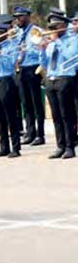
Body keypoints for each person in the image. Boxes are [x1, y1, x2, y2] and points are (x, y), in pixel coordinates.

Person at [39, 11, 77, 159]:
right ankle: (60, 145)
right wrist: (42, 50)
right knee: (56, 116)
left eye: (56, 26)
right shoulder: (51, 43)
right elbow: (44, 63)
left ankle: (70, 146)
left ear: (64, 25)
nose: (53, 29)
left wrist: (58, 42)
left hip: (65, 78)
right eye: (51, 26)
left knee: (66, 114)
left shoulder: (73, 40)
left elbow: (70, 56)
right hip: (51, 78)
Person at [0, 21, 23, 157]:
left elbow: (11, 64)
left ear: (3, 34)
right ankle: (4, 146)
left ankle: (16, 147)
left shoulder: (11, 46)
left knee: (10, 116)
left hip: (7, 81)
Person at [12, 5, 45, 146]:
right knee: (26, 103)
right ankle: (30, 132)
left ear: (27, 16)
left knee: (36, 102)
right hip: (22, 70)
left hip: (33, 68)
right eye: (16, 17)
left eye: (20, 17)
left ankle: (40, 134)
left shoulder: (36, 32)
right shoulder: (19, 33)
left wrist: (25, 52)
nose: (17, 20)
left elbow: (40, 51)